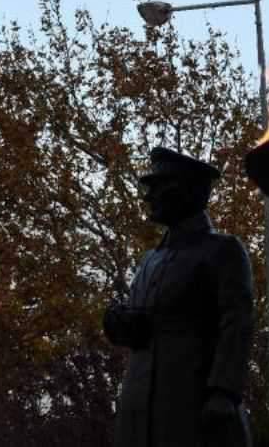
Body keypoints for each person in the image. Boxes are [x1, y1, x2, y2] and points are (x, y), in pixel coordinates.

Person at [103, 146, 254, 447]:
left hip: (190, 405)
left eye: (158, 187)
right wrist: (119, 320)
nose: (148, 196)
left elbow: (237, 324)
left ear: (185, 191)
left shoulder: (222, 251)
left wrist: (223, 392)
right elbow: (143, 322)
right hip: (139, 409)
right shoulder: (150, 260)